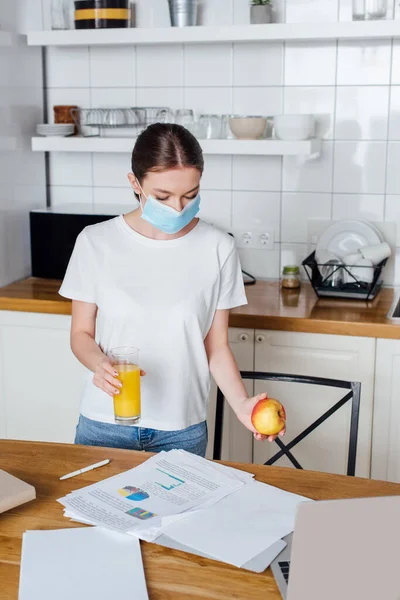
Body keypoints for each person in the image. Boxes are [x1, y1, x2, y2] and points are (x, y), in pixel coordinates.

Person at [60, 123, 285, 457]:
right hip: (104, 423)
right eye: (163, 197)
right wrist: (99, 365)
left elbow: (216, 346)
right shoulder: (95, 241)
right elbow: (80, 333)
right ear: (135, 183)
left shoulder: (218, 247)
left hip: (181, 430)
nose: (178, 208)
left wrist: (241, 405)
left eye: (190, 196)